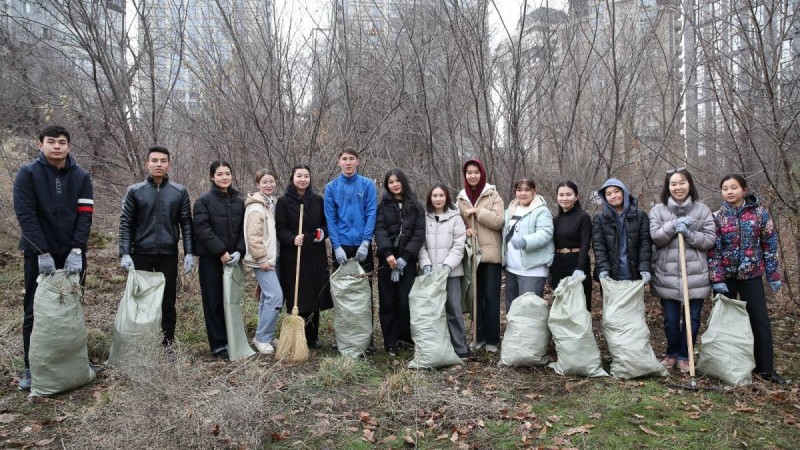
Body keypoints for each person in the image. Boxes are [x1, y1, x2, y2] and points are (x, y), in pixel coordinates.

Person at [13, 125, 93, 391]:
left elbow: (84, 214)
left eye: (62, 142)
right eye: (51, 142)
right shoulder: (28, 174)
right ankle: (31, 367)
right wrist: (41, 251)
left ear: (69, 146)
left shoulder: (81, 176)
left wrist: (77, 249)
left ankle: (77, 363)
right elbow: (26, 215)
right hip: (39, 253)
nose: (57, 146)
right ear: (41, 145)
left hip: (72, 253)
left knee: (72, 305)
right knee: (35, 309)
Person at [707, 174, 785, 385]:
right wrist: (717, 279)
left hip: (751, 276)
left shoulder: (760, 214)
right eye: (725, 188)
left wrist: (773, 274)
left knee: (760, 321)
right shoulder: (717, 217)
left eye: (734, 187)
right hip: (726, 279)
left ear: (744, 189)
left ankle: (766, 369)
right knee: (725, 323)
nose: (729, 192)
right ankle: (725, 366)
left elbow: (769, 245)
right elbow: (713, 251)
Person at [119, 146, 194, 348]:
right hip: (141, 254)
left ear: (169, 164)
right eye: (154, 160)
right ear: (147, 164)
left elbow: (186, 222)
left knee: (167, 302)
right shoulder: (135, 191)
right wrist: (125, 252)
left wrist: (189, 253)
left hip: (168, 255)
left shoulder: (179, 192)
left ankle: (167, 344)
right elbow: (126, 222)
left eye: (163, 161)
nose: (158, 164)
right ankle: (141, 344)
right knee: (140, 301)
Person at [649, 168, 715, 373]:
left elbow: (709, 240)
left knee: (693, 319)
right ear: (668, 187)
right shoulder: (658, 211)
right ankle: (671, 353)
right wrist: (673, 225)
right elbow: (656, 237)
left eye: (682, 182)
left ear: (690, 184)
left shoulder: (702, 210)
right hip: (667, 275)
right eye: (673, 184)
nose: (678, 187)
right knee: (669, 320)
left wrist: (689, 233)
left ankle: (686, 356)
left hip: (695, 276)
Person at [324, 148, 378, 350]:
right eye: (344, 159)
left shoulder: (367, 185)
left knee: (364, 292)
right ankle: (344, 338)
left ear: (358, 161)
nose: (348, 163)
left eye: (351, 159)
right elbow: (331, 218)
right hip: (342, 247)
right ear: (339, 162)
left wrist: (366, 241)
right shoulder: (331, 187)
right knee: (342, 292)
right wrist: (336, 247)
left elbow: (371, 213)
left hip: (362, 246)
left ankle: (367, 340)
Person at [275, 165, 333, 349]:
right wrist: (292, 238)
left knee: (314, 293)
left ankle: (312, 336)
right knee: (297, 292)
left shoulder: (318, 200)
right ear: (293, 177)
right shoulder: (283, 202)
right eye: (299, 176)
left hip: (315, 254)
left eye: (306, 176)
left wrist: (319, 234)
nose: (303, 179)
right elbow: (280, 228)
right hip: (293, 255)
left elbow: (326, 225)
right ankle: (297, 335)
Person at [193, 161, 246, 359]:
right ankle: (218, 343)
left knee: (231, 300)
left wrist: (239, 251)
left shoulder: (239, 201)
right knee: (213, 301)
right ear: (212, 177)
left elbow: (243, 230)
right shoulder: (204, 201)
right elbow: (202, 229)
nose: (224, 177)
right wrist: (221, 252)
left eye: (227, 173)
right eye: (220, 174)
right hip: (212, 259)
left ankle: (232, 338)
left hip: (234, 259)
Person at [374, 169, 425, 355]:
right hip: (387, 262)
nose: (394, 185)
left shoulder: (416, 207)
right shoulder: (383, 206)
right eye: (390, 182)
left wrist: (405, 257)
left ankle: (406, 338)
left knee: (406, 301)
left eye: (397, 181)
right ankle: (390, 341)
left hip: (407, 262)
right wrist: (387, 254)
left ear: (403, 182)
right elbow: (379, 230)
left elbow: (419, 234)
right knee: (388, 302)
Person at [456, 159, 504, 353]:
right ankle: (479, 338)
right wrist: (465, 231)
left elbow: (498, 221)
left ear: (482, 173)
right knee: (475, 297)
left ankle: (493, 340)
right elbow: (457, 223)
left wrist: (479, 212)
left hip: (491, 254)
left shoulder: (493, 195)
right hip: (471, 254)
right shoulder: (460, 199)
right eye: (469, 173)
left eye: (476, 172)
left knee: (491, 297)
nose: (473, 176)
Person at [418, 184, 469, 359]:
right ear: (430, 198)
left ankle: (460, 346)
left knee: (453, 309)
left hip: (451, 273)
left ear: (447, 197)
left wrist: (448, 266)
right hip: (430, 274)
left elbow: (459, 245)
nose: (438, 199)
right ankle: (437, 347)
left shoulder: (455, 218)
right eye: (434, 195)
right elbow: (421, 245)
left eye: (441, 195)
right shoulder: (424, 218)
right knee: (432, 311)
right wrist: (426, 264)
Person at [244, 169, 283, 355]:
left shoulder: (271, 203)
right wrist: (261, 258)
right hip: (262, 260)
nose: (269, 185)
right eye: (265, 182)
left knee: (267, 297)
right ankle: (261, 338)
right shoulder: (256, 206)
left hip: (271, 258)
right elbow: (253, 236)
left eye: (272, 181)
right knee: (276, 296)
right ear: (258, 184)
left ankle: (265, 334)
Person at [501, 178, 554, 310]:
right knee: (512, 308)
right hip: (511, 268)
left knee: (529, 310)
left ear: (534, 192)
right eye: (519, 190)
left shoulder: (541, 210)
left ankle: (532, 332)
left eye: (527, 190)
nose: (522, 193)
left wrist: (525, 242)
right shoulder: (510, 210)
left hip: (532, 269)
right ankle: (513, 331)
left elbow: (545, 232)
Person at [592, 178, 652, 283]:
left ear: (624, 192)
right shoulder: (600, 219)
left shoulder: (640, 216)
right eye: (609, 194)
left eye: (616, 191)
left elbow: (645, 244)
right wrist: (603, 268)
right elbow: (599, 246)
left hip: (634, 274)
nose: (613, 196)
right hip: (610, 275)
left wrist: (644, 268)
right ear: (604, 197)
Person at [549, 181, 593, 310]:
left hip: (577, 263)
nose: (564, 198)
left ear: (576, 197)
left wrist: (580, 267)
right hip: (558, 264)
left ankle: (582, 329)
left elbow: (585, 244)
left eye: (568, 194)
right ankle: (562, 330)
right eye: (561, 195)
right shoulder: (555, 220)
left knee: (581, 302)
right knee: (562, 302)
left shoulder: (583, 217)